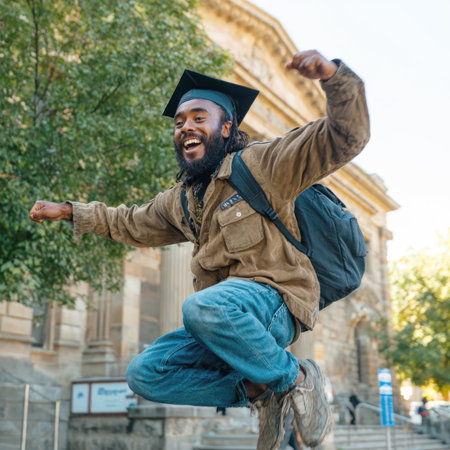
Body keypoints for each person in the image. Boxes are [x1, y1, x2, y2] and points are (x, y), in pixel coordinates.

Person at [29, 50, 370, 449]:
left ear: (226, 128)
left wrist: (333, 77)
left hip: (274, 304)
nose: (185, 127)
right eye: (179, 122)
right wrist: (71, 211)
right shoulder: (182, 201)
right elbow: (129, 222)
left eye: (198, 118)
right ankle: (260, 391)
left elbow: (345, 136)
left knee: (202, 306)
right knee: (145, 373)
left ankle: (296, 379)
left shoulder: (264, 164)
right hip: (225, 320)